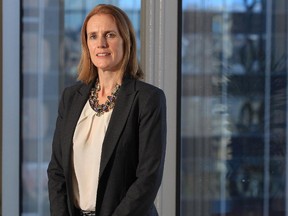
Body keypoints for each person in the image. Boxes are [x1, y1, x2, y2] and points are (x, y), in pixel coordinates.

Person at [47, 4, 167, 216]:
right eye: (93, 36)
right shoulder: (70, 98)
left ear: (125, 41)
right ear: (86, 45)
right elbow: (57, 171)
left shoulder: (148, 99)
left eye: (109, 35)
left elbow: (148, 177)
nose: (101, 43)